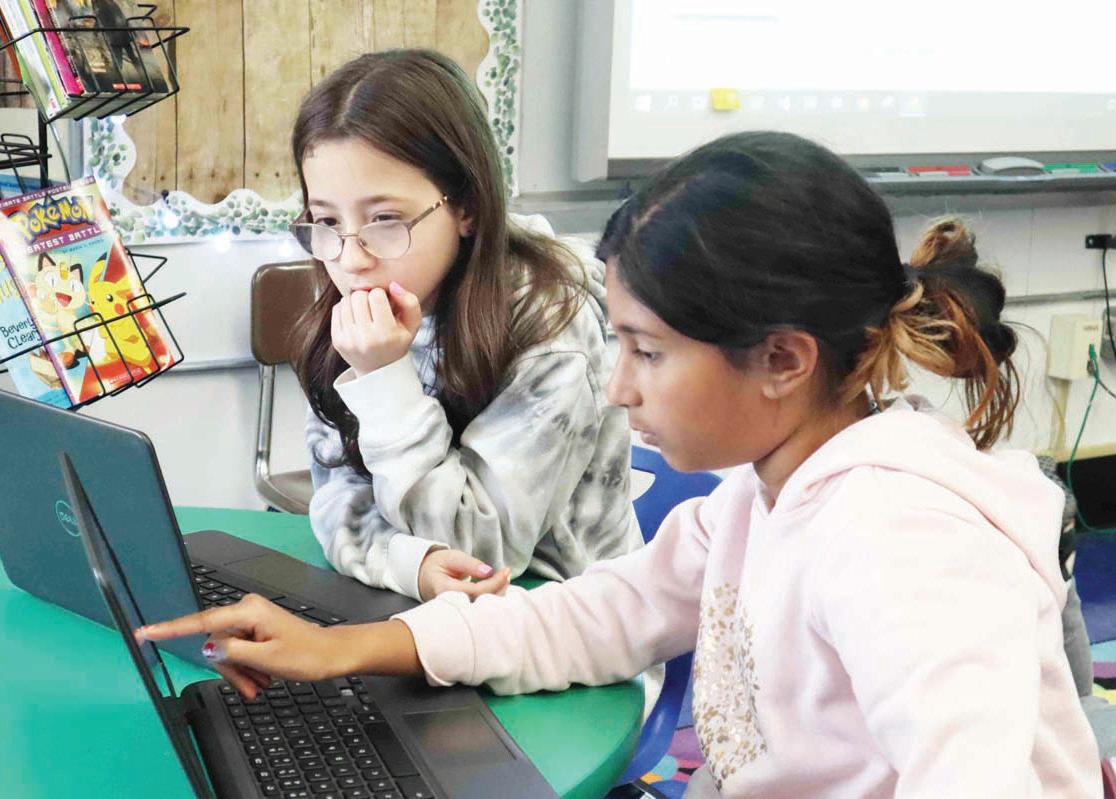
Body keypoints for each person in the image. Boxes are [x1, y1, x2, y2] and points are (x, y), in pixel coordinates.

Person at [142, 131, 1100, 796]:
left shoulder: (896, 540)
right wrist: (348, 647)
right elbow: (595, 615)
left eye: (646, 351)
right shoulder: (761, 494)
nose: (617, 387)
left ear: (782, 358)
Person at [285, 50, 641, 602]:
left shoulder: (550, 323)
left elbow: (483, 551)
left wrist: (383, 380)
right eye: (327, 220)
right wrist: (410, 564)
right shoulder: (365, 295)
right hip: (425, 610)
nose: (351, 258)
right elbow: (336, 493)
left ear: (467, 208)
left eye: (385, 219)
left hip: (559, 618)